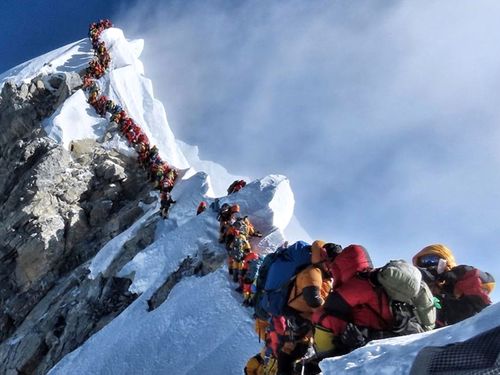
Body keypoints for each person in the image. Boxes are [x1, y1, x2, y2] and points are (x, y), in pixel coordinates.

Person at [413, 244, 495, 327]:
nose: (428, 264)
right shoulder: (420, 292)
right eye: (423, 262)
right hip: (439, 336)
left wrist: (462, 273)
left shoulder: (460, 280)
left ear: (445, 261)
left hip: (478, 329)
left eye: (432, 259)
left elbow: (487, 282)